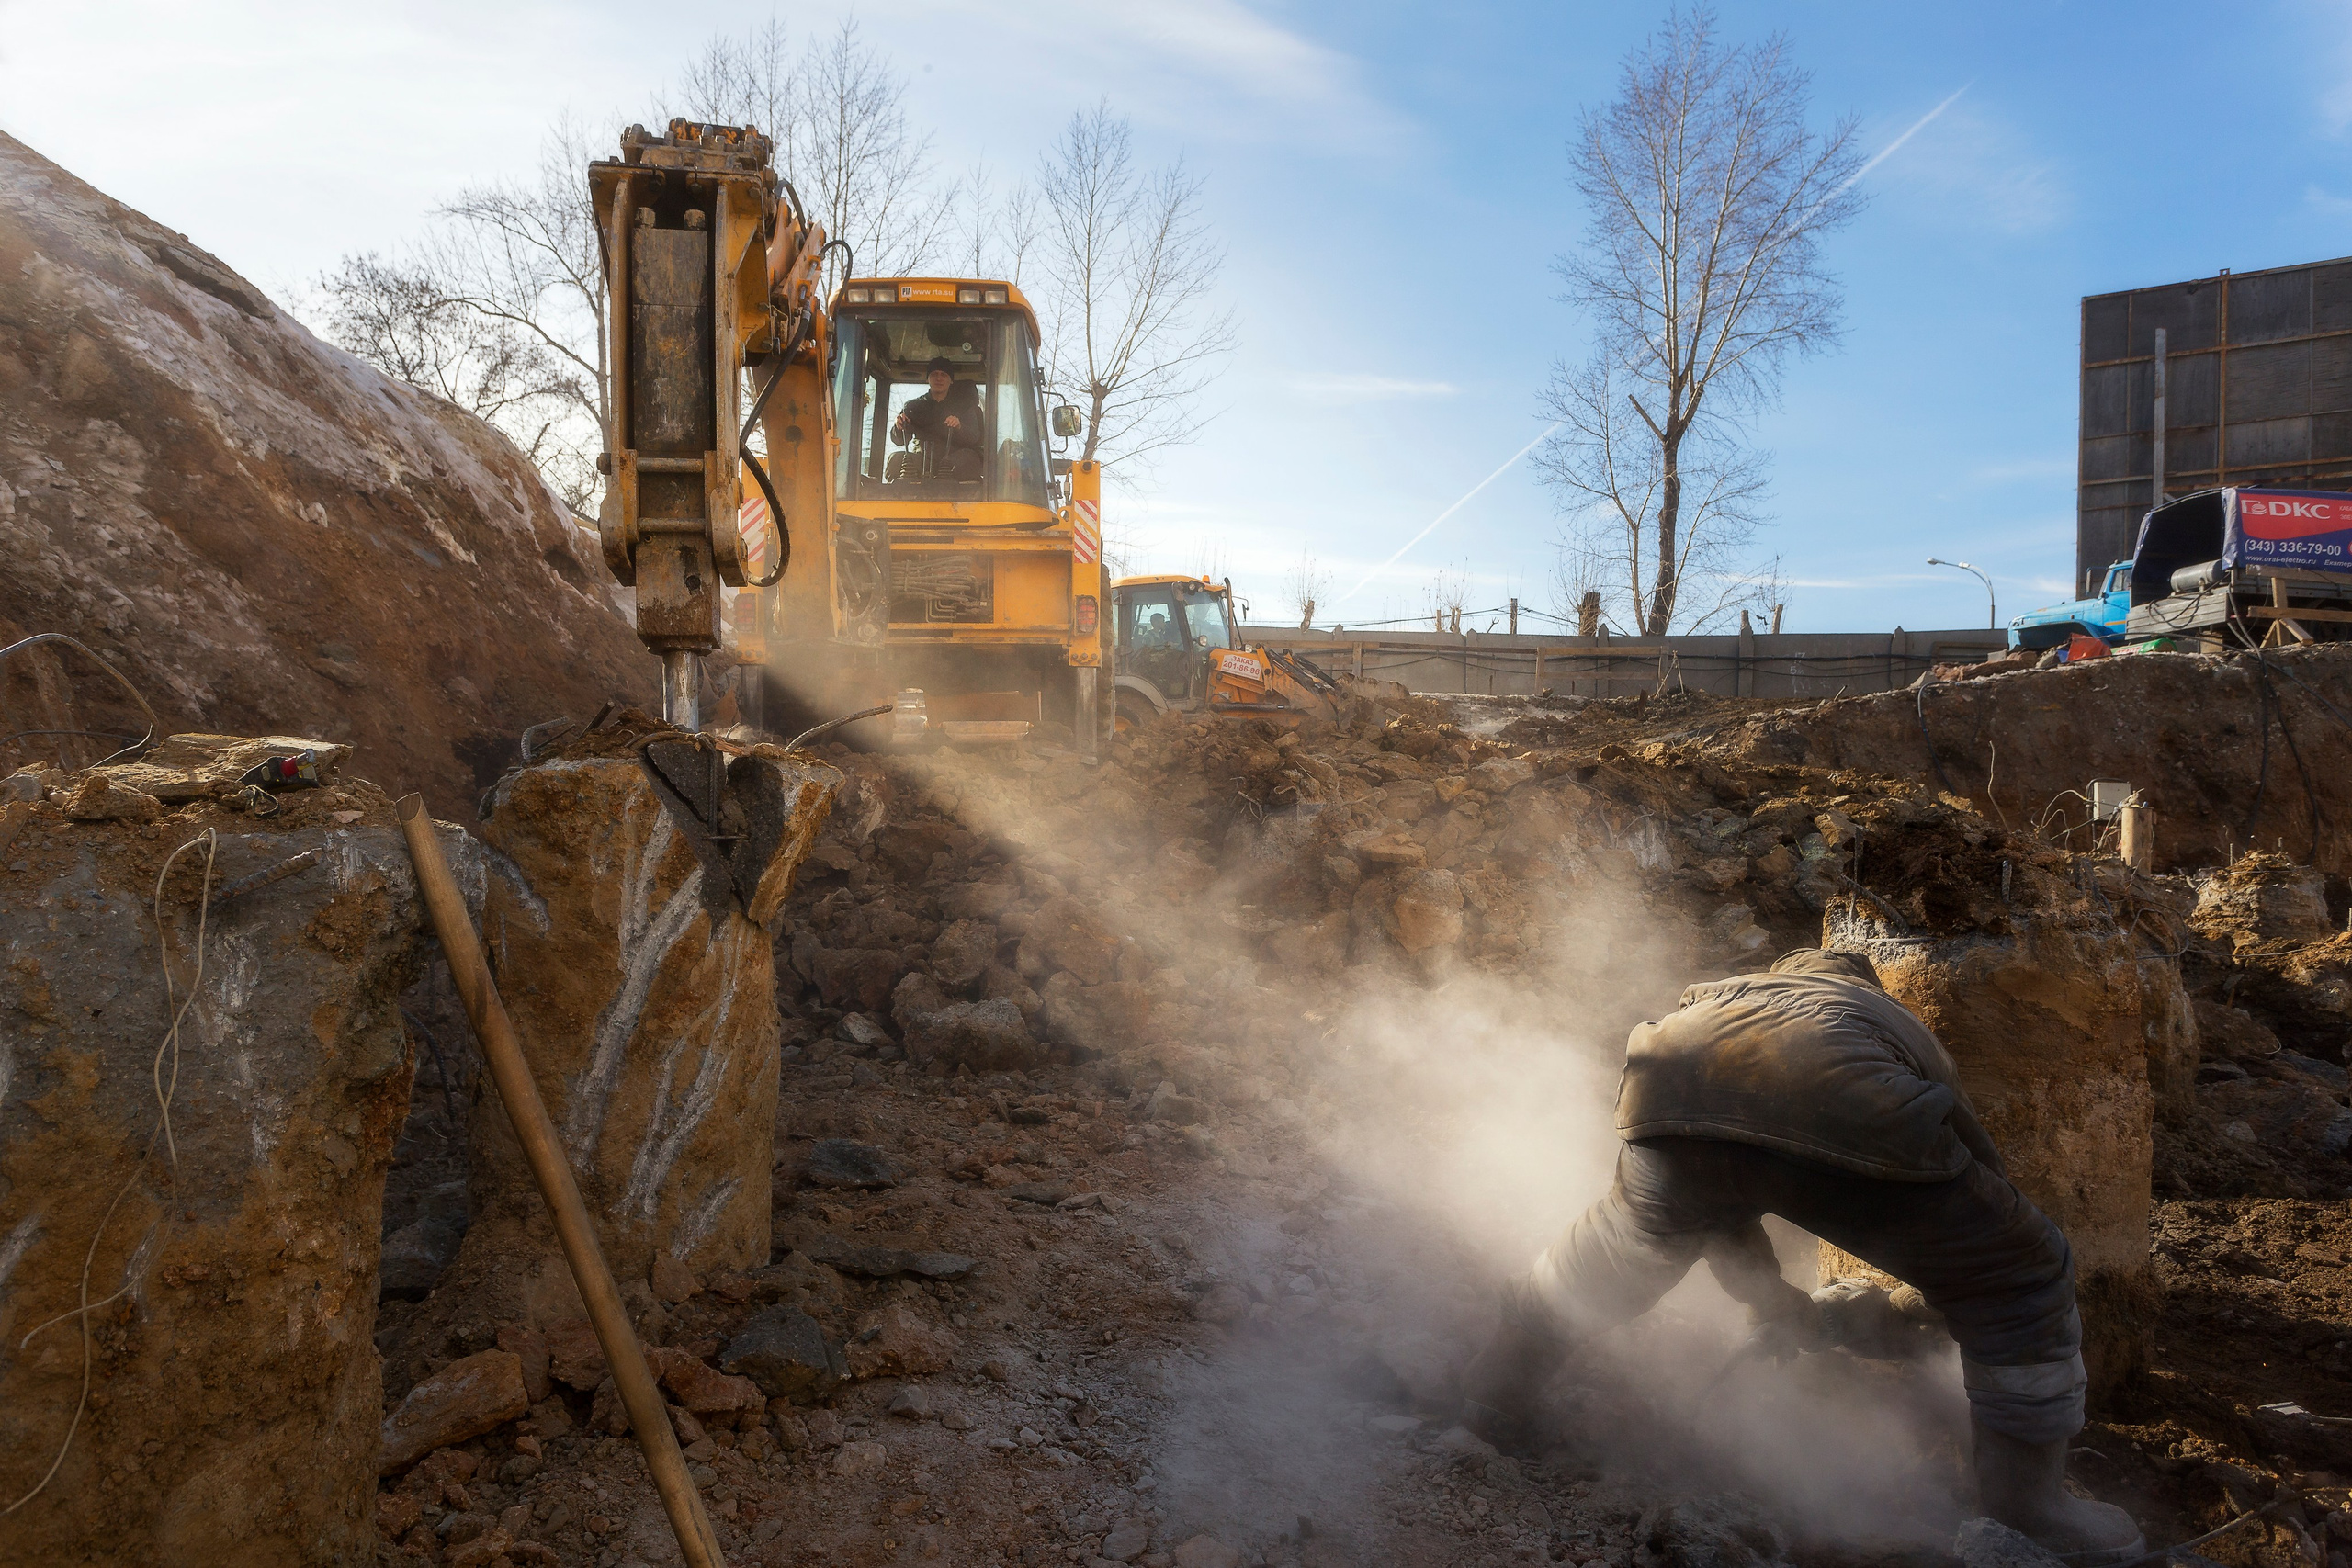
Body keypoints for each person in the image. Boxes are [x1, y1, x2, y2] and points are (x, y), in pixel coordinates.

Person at [1460, 948, 2143, 1564]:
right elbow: (1978, 1180)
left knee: (1611, 1253)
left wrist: (1772, 1302)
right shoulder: (1887, 1018)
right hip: (1848, 1104)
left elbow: (1721, 1214)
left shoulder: (1727, 990)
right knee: (2021, 1275)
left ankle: (1492, 1395)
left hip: (1667, 1084)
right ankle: (2030, 1510)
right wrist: (1955, 1283)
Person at [891, 356, 984, 478]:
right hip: (922, 460)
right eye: (934, 374)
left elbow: (974, 437)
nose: (939, 378)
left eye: (944, 374)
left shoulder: (964, 407)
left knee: (970, 458)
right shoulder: (912, 407)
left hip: (954, 460)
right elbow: (898, 440)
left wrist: (959, 427)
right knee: (895, 460)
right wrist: (898, 427)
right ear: (927, 379)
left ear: (951, 380)